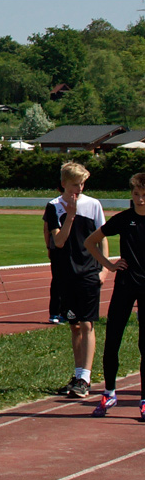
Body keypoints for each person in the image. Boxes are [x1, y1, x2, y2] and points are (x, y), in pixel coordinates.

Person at [43, 161, 107, 399]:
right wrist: (69, 215)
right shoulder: (53, 207)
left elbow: (103, 236)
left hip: (88, 273)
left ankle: (85, 378)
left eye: (81, 184)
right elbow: (58, 242)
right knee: (74, 325)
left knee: (88, 324)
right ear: (63, 184)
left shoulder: (93, 205)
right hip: (65, 273)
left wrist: (105, 269)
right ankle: (78, 373)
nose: (78, 189)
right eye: (74, 185)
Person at [84, 173, 144, 419]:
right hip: (125, 285)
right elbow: (90, 242)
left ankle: (144, 400)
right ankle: (109, 393)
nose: (140, 199)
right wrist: (108, 265)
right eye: (136, 194)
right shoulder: (124, 219)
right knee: (113, 340)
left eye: (144, 194)